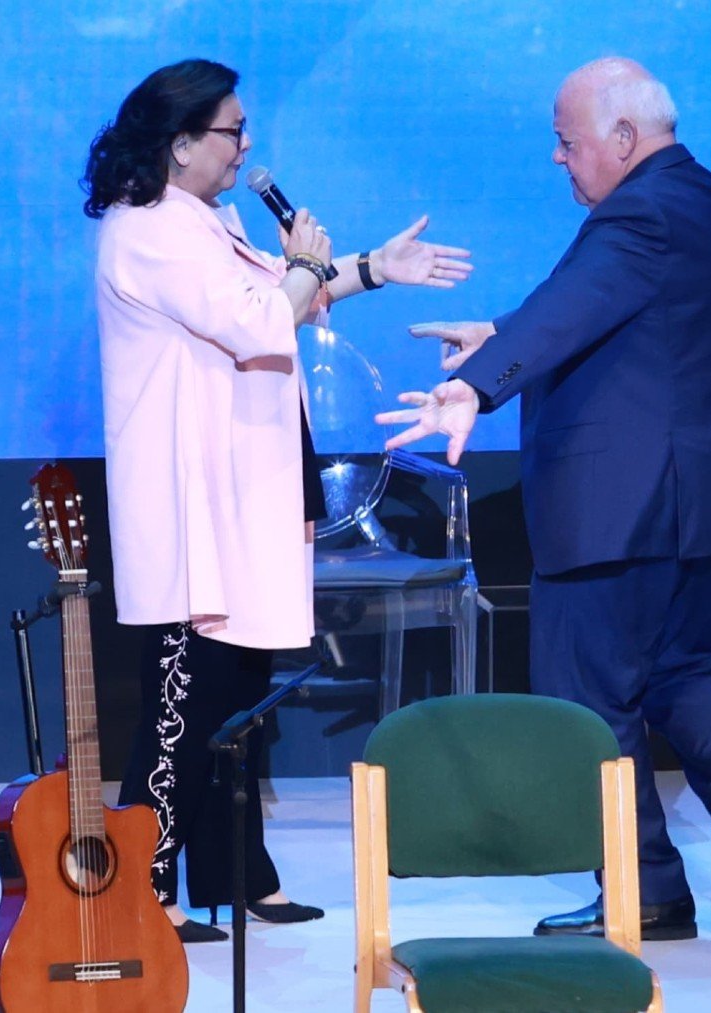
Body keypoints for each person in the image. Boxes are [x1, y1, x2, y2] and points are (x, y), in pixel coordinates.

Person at [378, 57, 711, 947]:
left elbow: (581, 300)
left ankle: (645, 893)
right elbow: (619, 315)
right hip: (708, 504)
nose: (558, 159)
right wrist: (503, 334)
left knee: (592, 699)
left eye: (567, 142)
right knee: (681, 668)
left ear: (623, 137)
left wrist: (478, 385)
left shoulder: (639, 212)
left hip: (624, 506)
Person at [84, 58, 471, 944]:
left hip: (246, 483)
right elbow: (265, 314)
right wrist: (301, 267)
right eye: (232, 131)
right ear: (180, 145)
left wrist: (372, 267)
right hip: (193, 501)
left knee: (238, 694)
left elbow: (285, 295)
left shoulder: (205, 222)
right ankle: (149, 890)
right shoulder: (145, 228)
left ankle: (234, 873)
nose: (247, 145)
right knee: (181, 699)